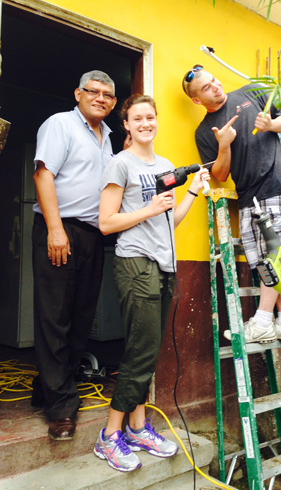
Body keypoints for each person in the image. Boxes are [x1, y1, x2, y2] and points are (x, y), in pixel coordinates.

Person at [93, 94, 210, 472]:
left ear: (156, 121)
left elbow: (168, 221)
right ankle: (110, 436)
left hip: (163, 265)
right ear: (126, 125)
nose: (145, 123)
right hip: (135, 263)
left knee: (149, 349)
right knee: (141, 350)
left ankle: (139, 426)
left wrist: (192, 192)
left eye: (150, 117)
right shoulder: (120, 163)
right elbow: (107, 222)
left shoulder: (164, 166)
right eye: (137, 118)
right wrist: (148, 208)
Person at [182, 65, 281, 344]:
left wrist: (271, 125)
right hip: (249, 193)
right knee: (266, 257)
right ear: (196, 100)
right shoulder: (204, 132)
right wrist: (223, 145)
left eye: (213, 80)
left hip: (275, 182)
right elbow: (221, 175)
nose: (215, 86)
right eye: (206, 87)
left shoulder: (251, 91)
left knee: (274, 251)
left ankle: (262, 320)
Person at [32, 70, 118, 440]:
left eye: (107, 95)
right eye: (93, 91)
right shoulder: (60, 125)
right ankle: (63, 407)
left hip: (91, 236)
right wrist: (55, 229)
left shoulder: (110, 139)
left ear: (114, 103)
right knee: (55, 317)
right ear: (78, 94)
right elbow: (43, 175)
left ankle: (48, 387)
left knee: (81, 318)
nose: (100, 98)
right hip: (59, 229)